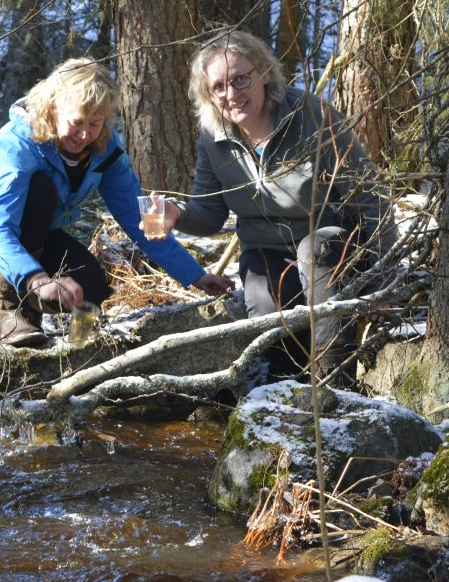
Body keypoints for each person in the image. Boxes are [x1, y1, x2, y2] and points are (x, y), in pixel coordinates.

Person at [150, 30, 397, 383]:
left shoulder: (313, 115)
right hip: (264, 251)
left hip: (329, 245)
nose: (231, 94)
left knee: (317, 250)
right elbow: (210, 214)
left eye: (240, 79)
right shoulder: (212, 135)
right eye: (218, 87)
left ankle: (333, 382)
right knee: (266, 312)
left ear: (264, 73)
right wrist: (178, 216)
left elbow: (371, 198)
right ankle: (284, 391)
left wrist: (383, 282)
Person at [0, 58, 231, 347]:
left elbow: (138, 219)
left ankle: (81, 347)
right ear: (52, 109)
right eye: (76, 122)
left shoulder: (106, 150)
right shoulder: (17, 145)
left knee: (91, 284)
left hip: (33, 235)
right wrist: (38, 280)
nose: (85, 134)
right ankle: (15, 313)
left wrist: (195, 275)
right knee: (40, 189)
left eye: (95, 123)